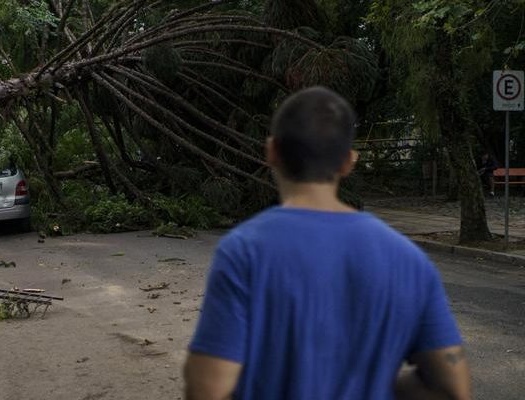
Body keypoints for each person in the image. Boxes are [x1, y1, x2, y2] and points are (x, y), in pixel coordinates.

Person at [184, 87, 471, 400]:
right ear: (348, 162)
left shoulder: (242, 251)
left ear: (272, 152)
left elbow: (207, 389)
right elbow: (452, 387)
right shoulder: (410, 260)